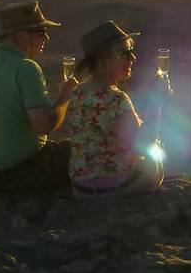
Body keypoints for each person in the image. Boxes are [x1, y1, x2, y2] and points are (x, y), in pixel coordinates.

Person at [0, 1, 78, 193]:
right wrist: (65, 95)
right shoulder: (26, 68)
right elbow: (44, 125)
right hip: (18, 173)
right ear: (19, 35)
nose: (47, 38)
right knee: (81, 152)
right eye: (40, 32)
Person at [67, 21, 163, 197]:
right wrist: (157, 100)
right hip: (114, 188)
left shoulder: (76, 92)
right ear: (103, 60)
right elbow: (143, 144)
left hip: (80, 188)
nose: (132, 58)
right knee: (154, 161)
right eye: (125, 53)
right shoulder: (116, 99)